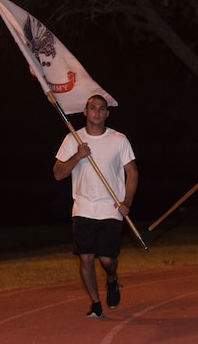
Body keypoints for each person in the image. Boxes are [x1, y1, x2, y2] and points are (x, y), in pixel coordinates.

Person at [53, 95, 139, 318]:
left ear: (107, 114)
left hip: (111, 208)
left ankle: (111, 279)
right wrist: (78, 155)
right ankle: (95, 303)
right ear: (85, 111)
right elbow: (58, 173)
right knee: (85, 257)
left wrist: (127, 201)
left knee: (107, 260)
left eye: (102, 109)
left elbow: (132, 173)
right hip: (83, 208)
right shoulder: (73, 139)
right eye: (93, 108)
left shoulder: (119, 139)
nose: (97, 112)